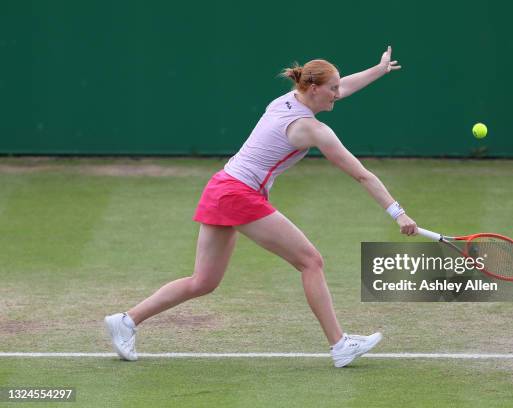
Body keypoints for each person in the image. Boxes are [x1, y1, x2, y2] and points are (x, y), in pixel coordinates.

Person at [105, 46, 417, 368]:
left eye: (339, 87)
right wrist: (398, 212)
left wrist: (378, 69)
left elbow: (345, 86)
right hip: (239, 194)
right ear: (313, 89)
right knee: (311, 262)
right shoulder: (312, 129)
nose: (338, 94)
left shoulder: (289, 98)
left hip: (222, 185)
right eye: (333, 89)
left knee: (204, 281)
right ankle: (339, 344)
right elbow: (362, 176)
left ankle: (126, 321)